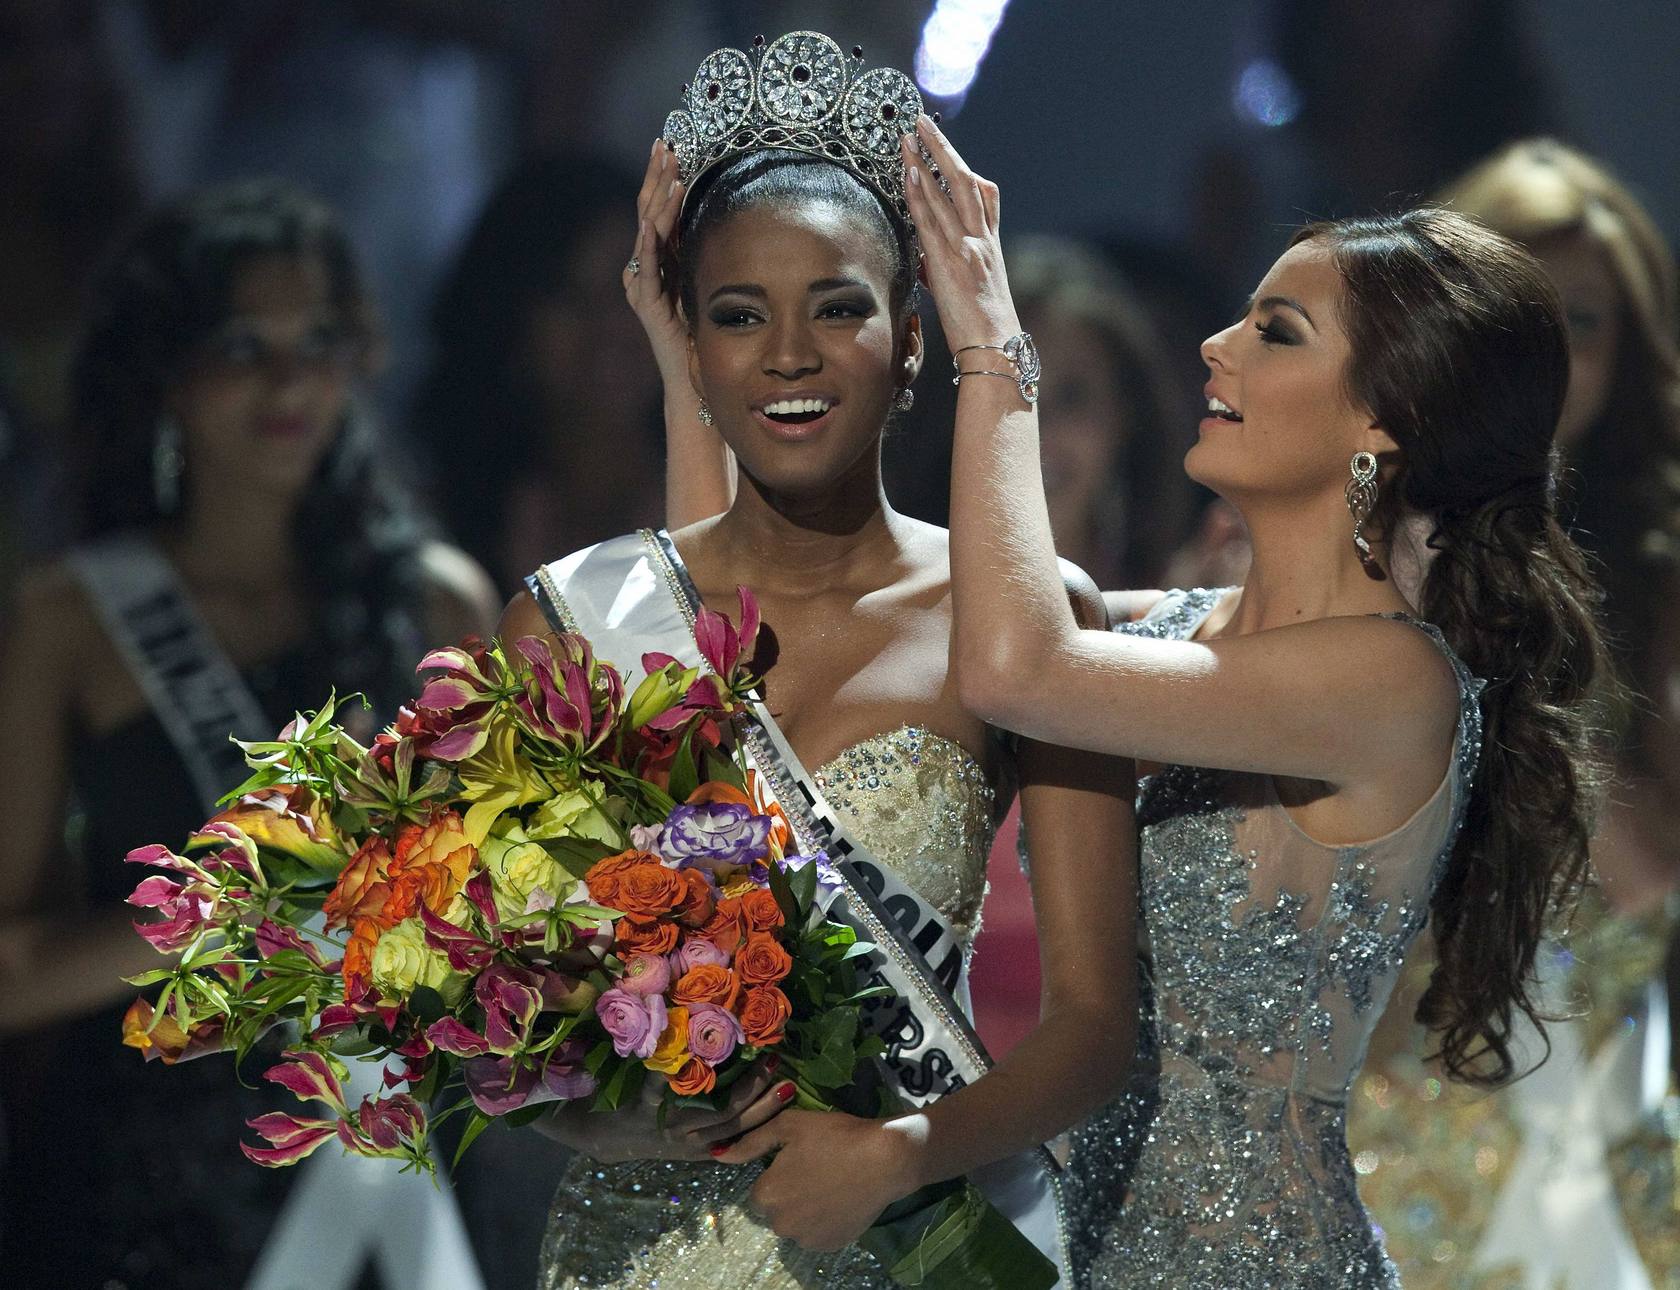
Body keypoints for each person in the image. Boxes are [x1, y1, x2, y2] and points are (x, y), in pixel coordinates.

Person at [903, 117, 1616, 1286]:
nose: (1214, 346)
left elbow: (1016, 667)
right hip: (1087, 1252)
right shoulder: (1172, 631)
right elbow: (969, 624)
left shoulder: (1394, 681)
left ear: (1384, 418)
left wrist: (994, 348)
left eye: (1274, 332)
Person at [501, 33, 1137, 1288]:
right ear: (692, 345)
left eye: (838, 307)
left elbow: (1095, 1030)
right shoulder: (577, 621)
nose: (788, 353)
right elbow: (507, 1013)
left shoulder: (1020, 619)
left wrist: (901, 1154)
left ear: (912, 338)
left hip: (897, 1247)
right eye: (740, 315)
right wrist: (608, 1112)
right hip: (636, 1251)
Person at [0, 178, 497, 1288]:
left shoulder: (437, 605)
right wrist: (230, 901)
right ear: (163, 375)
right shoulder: (70, 621)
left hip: (382, 1176)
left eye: (319, 340)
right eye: (241, 346)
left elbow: (498, 925)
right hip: (137, 1195)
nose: (289, 381)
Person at [1349, 139, 1680, 1290]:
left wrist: (1523, 637)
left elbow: (1652, 884)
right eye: (1516, 316)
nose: (1546, 359)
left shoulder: (1656, 580)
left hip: (1584, 1078)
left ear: (1626, 358)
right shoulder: (1338, 531)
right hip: (1362, 1049)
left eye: (1581, 325)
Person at [411, 154, 665, 592]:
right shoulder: (437, 534)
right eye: (568, 295)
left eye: (629, 286)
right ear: (508, 317)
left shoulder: (742, 498)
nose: (609, 327)